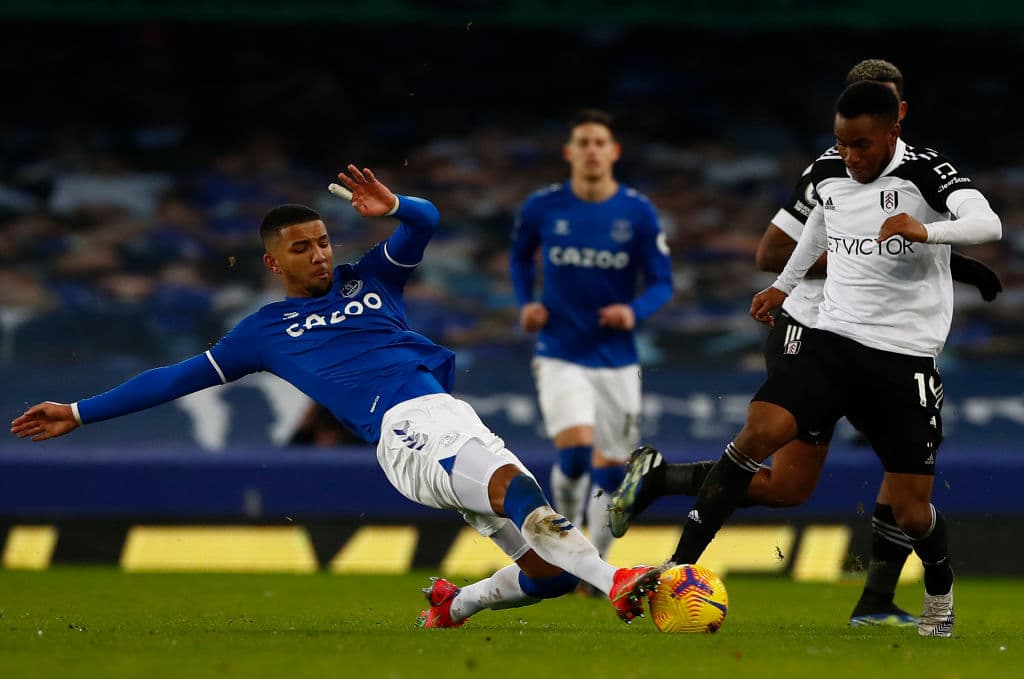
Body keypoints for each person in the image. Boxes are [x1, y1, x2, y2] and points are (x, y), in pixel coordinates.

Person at [10, 164, 661, 628]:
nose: (320, 254)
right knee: (513, 484)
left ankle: (454, 603)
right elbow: (176, 378)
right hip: (406, 427)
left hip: (437, 419)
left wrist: (396, 207)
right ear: (274, 263)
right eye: (302, 247)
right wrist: (77, 410)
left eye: (323, 241)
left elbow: (426, 222)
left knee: (544, 576)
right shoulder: (262, 332)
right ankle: (618, 580)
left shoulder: (371, 279)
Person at [608, 59, 1003, 627]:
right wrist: (782, 286)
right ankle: (673, 570)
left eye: (861, 144)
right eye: (842, 143)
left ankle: (931, 595)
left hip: (903, 358)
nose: (850, 156)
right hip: (827, 339)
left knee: (903, 507)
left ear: (897, 123)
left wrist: (933, 235)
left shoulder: (926, 173)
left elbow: (986, 223)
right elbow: (816, 224)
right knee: (758, 434)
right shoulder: (827, 170)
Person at [509, 109, 673, 562]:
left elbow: (662, 281)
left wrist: (632, 310)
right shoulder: (543, 206)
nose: (591, 150)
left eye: (600, 142)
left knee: (612, 474)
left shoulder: (637, 212)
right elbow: (520, 258)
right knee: (577, 450)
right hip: (559, 349)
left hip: (617, 357)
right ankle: (568, 550)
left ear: (614, 151)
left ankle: (593, 563)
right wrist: (527, 302)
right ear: (569, 152)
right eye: (583, 142)